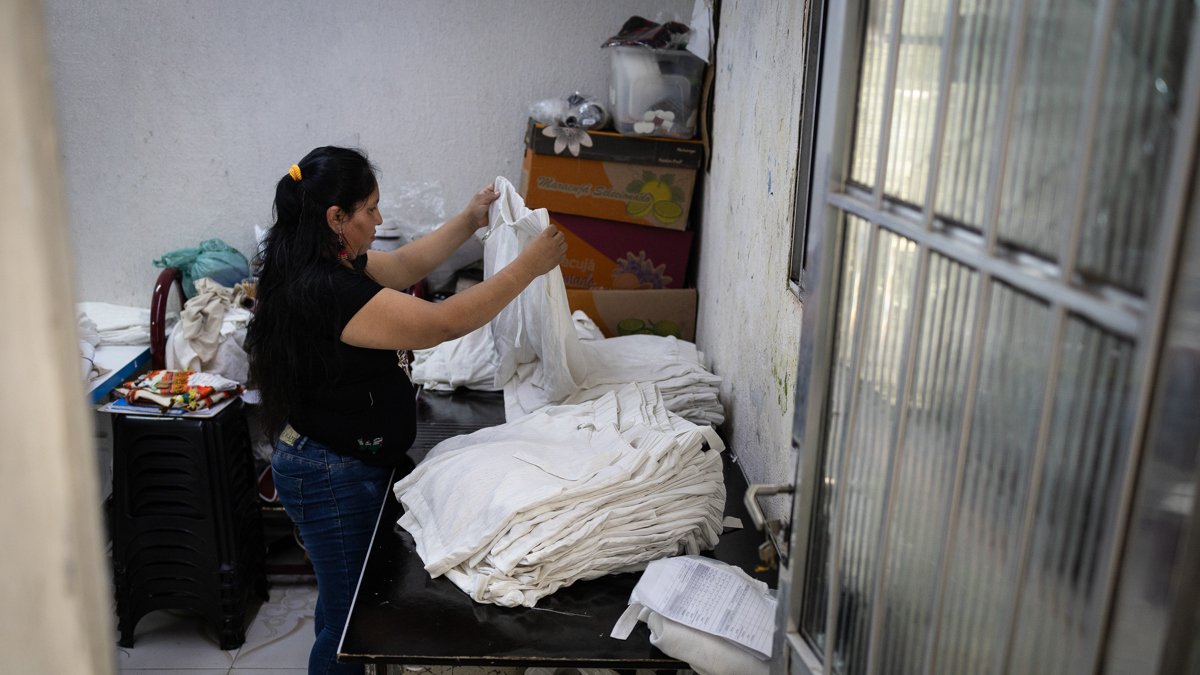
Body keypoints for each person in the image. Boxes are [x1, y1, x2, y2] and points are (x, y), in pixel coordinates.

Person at [245, 146, 565, 674]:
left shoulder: (322, 259)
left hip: (338, 462)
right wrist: (527, 267)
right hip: (330, 474)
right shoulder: (326, 288)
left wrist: (469, 219)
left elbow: (408, 264)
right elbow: (441, 324)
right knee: (350, 626)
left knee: (341, 607)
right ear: (336, 219)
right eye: (370, 209)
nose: (379, 219)